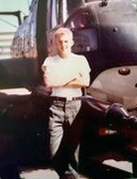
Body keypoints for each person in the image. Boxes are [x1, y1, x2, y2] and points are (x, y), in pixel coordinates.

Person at [42, 27, 90, 179]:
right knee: (54, 150)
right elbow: (49, 82)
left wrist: (60, 81)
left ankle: (71, 177)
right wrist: (73, 77)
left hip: (75, 106)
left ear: (72, 42)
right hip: (56, 107)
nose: (63, 45)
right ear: (56, 43)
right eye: (60, 42)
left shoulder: (80, 60)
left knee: (73, 151)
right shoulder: (49, 61)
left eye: (66, 41)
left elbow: (85, 81)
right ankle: (66, 176)